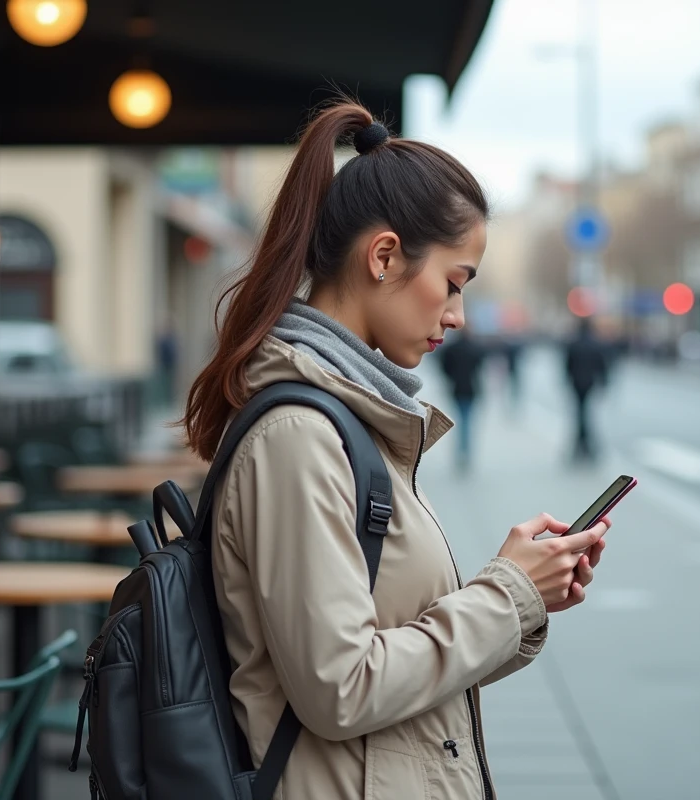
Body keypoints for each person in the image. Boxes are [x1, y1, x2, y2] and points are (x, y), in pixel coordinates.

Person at [181, 101, 611, 800]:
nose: (458, 315)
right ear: (384, 256)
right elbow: (340, 688)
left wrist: (522, 592)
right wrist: (507, 595)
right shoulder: (299, 436)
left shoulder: (348, 419)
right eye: (454, 283)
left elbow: (392, 659)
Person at [437, 326, 487, 471]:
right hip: (471, 388)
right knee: (467, 421)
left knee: (460, 420)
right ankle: (466, 452)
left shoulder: (451, 349)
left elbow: (444, 367)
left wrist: (451, 377)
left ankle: (460, 451)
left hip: (457, 387)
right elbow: (480, 367)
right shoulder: (475, 348)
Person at [565, 317, 608, 461]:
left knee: (580, 414)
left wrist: (568, 381)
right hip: (590, 383)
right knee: (585, 415)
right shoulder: (595, 344)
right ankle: (586, 446)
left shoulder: (574, 343)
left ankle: (581, 445)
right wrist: (604, 383)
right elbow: (602, 366)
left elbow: (567, 366)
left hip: (577, 383)